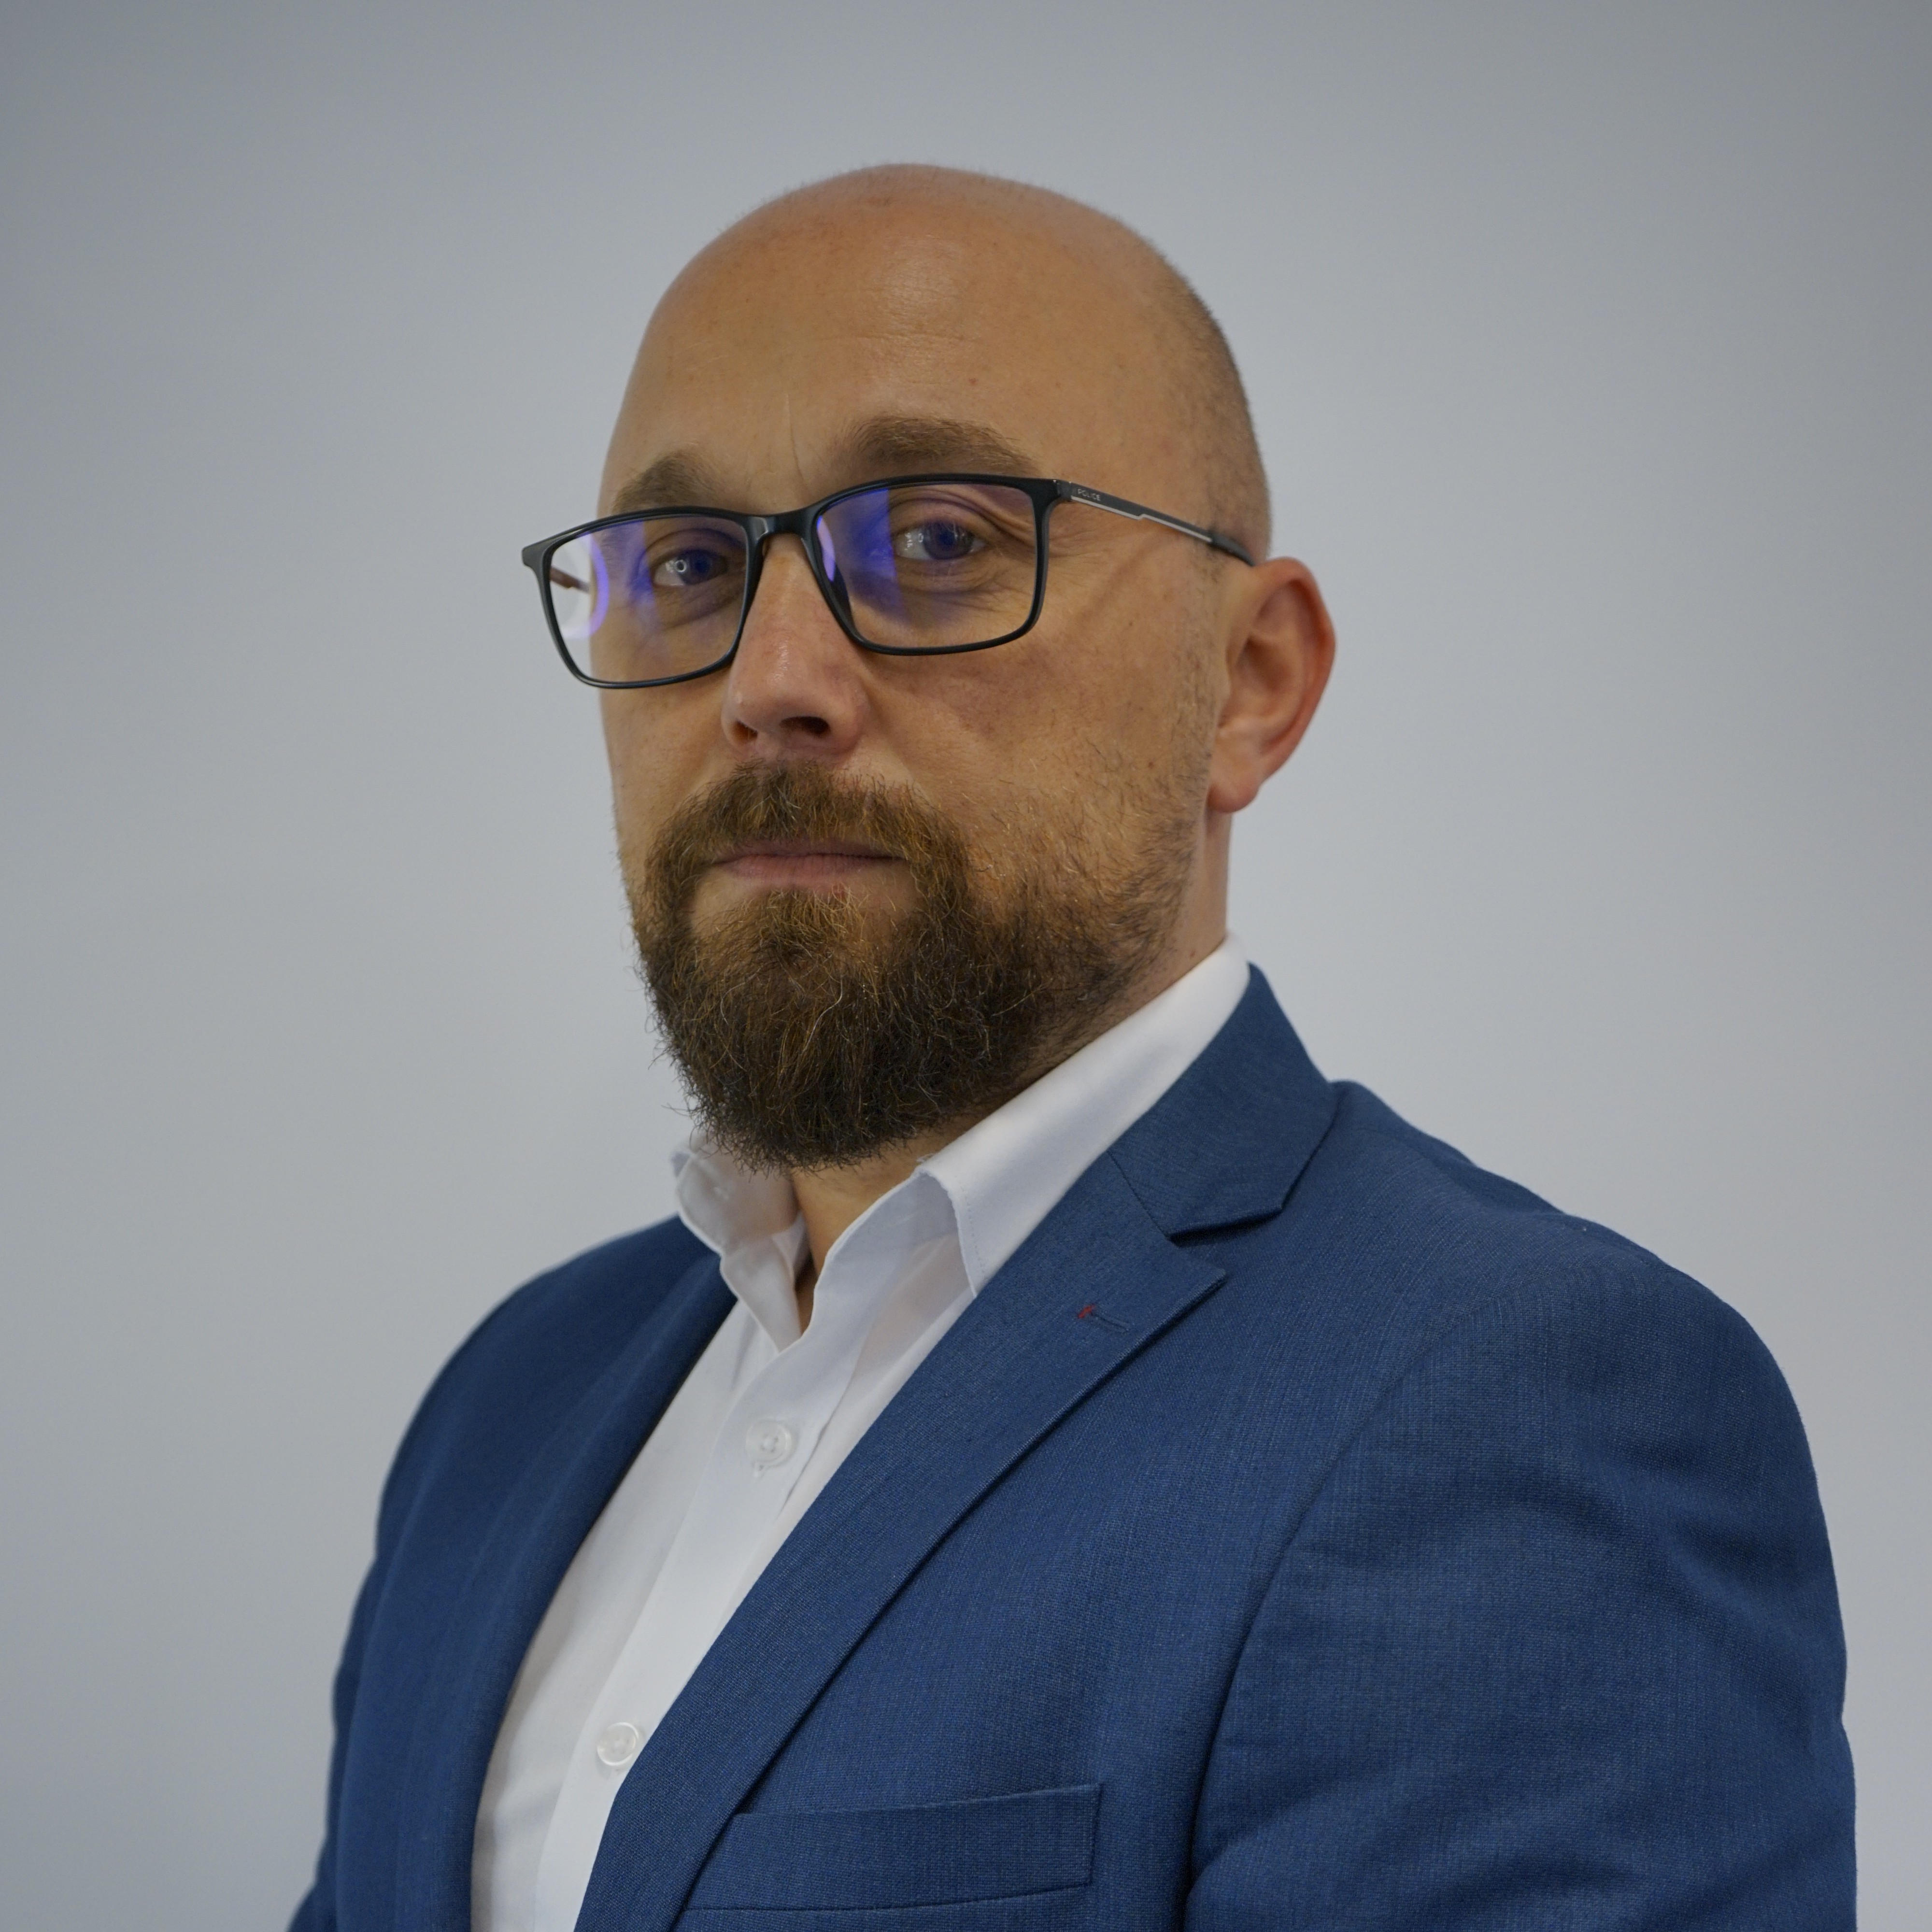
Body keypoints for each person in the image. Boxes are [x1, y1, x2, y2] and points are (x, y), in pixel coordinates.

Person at [292, 167, 1853, 1932]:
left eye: (941, 541)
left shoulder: (1518, 1409)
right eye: (689, 567)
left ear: (1250, 681)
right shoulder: (510, 1403)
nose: (769, 680)